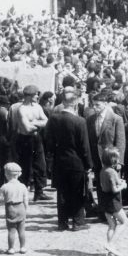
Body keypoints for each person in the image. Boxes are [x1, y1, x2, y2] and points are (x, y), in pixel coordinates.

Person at [46, 89, 93, 231]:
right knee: (78, 192)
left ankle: (62, 222)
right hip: (76, 161)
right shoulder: (80, 121)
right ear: (75, 103)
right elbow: (84, 146)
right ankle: (78, 222)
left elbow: (48, 141)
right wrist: (88, 164)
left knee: (62, 193)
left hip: (60, 160)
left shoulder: (54, 118)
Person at [87, 91, 125, 218]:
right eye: (93, 105)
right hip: (97, 158)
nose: (95, 108)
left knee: (113, 185)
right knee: (101, 185)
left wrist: (119, 161)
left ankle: (115, 211)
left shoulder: (115, 119)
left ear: (105, 104)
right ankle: (103, 212)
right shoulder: (91, 119)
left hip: (111, 159)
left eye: (97, 105)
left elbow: (120, 142)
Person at [13, 85, 50, 201]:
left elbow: (46, 121)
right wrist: (38, 123)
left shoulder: (37, 107)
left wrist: (33, 122)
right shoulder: (21, 109)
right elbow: (27, 128)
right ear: (28, 96)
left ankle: (39, 192)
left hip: (36, 139)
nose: (37, 96)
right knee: (25, 166)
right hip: (24, 140)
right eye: (35, 95)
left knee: (40, 165)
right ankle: (23, 193)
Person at [0, 162, 29, 254]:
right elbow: (26, 200)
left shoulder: (5, 187)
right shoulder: (23, 186)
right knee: (21, 230)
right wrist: (25, 209)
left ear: (7, 174)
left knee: (11, 230)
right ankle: (23, 247)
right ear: (18, 174)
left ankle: (11, 248)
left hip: (10, 208)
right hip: (21, 208)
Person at [100, 147, 128, 256]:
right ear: (113, 160)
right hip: (113, 201)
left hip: (105, 200)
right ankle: (111, 244)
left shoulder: (103, 170)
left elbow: (107, 186)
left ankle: (110, 251)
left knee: (111, 225)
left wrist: (118, 182)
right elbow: (114, 189)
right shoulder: (112, 172)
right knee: (124, 222)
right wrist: (123, 185)